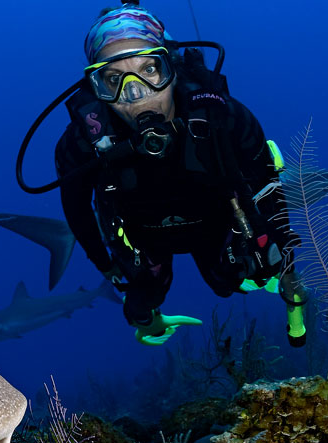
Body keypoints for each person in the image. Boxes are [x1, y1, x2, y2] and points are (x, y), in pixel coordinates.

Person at [54, 3, 306, 346]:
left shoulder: (225, 119)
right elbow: (77, 209)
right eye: (114, 79)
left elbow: (267, 186)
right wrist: (106, 265)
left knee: (233, 281)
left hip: (219, 224)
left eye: (149, 69)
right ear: (96, 86)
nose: (135, 93)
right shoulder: (82, 143)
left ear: (171, 66)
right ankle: (148, 307)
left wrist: (282, 255)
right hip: (141, 238)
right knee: (142, 304)